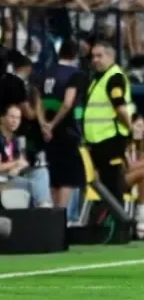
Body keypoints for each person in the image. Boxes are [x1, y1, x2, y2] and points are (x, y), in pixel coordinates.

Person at [82, 42, 138, 217]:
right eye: (93, 56)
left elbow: (120, 108)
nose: (95, 60)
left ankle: (118, 227)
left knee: (113, 185)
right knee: (104, 186)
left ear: (111, 57)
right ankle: (106, 224)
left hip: (110, 140)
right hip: (97, 141)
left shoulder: (114, 78)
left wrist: (130, 129)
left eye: (100, 56)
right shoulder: (99, 78)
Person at [33, 38, 87, 211]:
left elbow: (38, 101)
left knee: (52, 176)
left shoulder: (45, 72)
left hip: (47, 135)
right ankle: (60, 218)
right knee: (67, 179)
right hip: (67, 133)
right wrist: (53, 124)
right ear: (76, 55)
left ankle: (50, 220)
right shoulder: (76, 75)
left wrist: (44, 125)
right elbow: (67, 102)